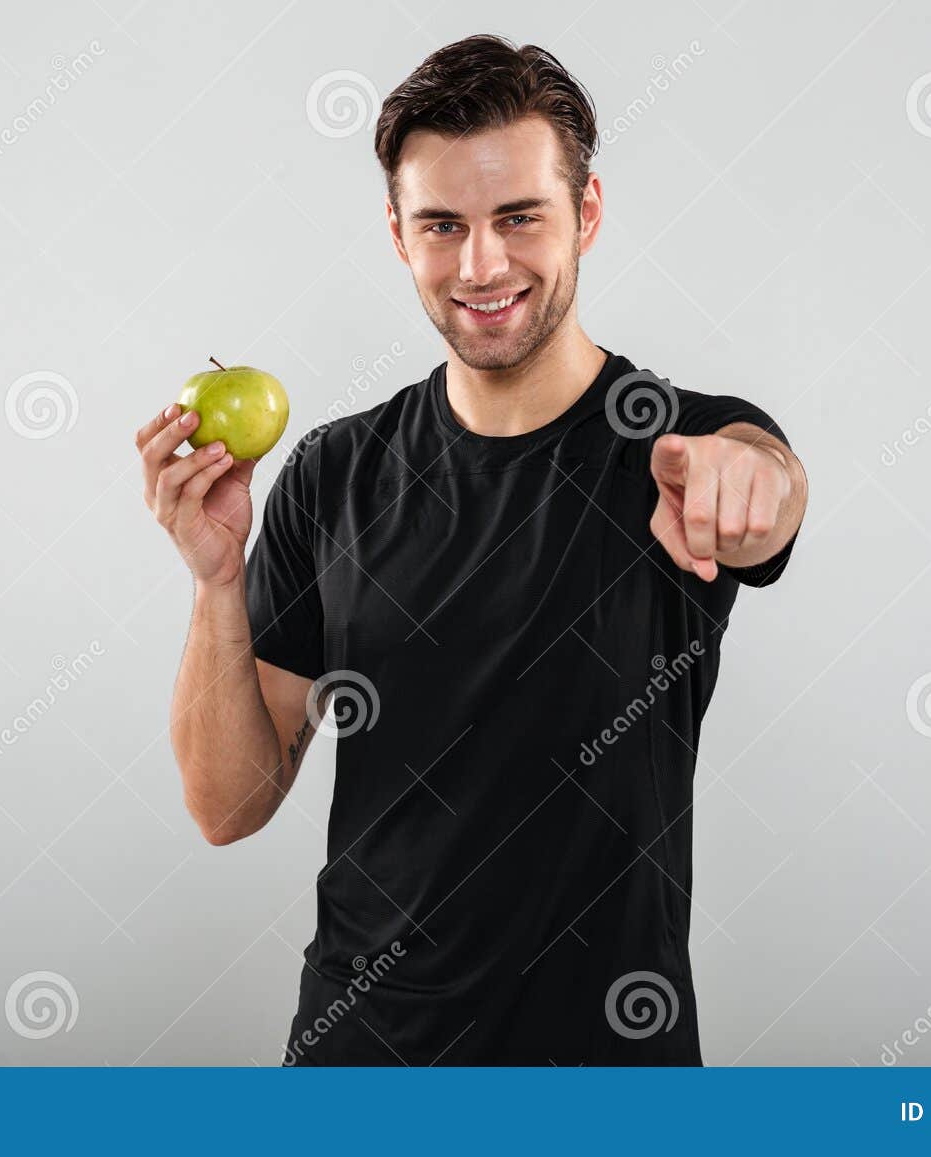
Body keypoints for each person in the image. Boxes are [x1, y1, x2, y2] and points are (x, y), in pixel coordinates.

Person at [134, 33, 808, 1065]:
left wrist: (757, 480)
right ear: (400, 237)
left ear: (584, 215)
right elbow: (227, 804)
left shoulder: (681, 447)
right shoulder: (333, 469)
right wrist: (217, 579)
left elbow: (761, 479)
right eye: (442, 224)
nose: (481, 264)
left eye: (519, 218)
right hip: (361, 1058)